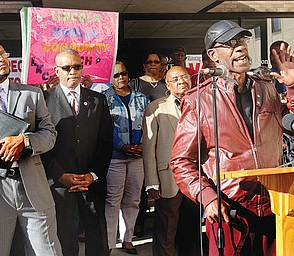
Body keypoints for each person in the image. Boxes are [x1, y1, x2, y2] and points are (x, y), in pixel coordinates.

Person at [170, 20, 294, 256]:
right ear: (213, 55)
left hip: (274, 205)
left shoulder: (267, 88)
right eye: (230, 43)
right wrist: (207, 197)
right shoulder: (199, 100)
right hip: (231, 211)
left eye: (242, 41)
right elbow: (181, 162)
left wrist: (292, 89)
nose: (240, 47)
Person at [0, 41, 62, 255]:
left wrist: (25, 142)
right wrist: (0, 151)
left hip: (33, 188)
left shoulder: (32, 93)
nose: (1, 59)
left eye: (3, 54)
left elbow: (49, 134)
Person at [41, 48, 113, 256]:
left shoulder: (97, 100)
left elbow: (105, 142)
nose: (72, 71)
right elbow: (42, 144)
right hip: (59, 184)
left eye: (77, 66)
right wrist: (60, 175)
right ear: (57, 71)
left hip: (92, 181)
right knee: (64, 237)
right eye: (66, 67)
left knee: (97, 238)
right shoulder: (44, 100)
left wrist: (93, 175)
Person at [143, 66, 201, 256]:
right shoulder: (155, 108)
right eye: (175, 79)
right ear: (167, 85)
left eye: (184, 77)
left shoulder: (202, 103)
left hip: (196, 176)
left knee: (192, 229)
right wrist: (152, 181)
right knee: (166, 230)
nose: (181, 82)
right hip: (168, 177)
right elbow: (149, 149)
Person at [103, 61, 149, 254]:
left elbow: (148, 124)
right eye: (116, 75)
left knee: (133, 199)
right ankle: (109, 242)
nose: (121, 78)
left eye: (124, 73)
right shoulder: (105, 98)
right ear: (110, 78)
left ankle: (128, 239)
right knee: (113, 200)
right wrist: (122, 146)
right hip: (115, 156)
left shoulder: (140, 98)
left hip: (138, 156)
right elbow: (105, 128)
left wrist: (141, 146)